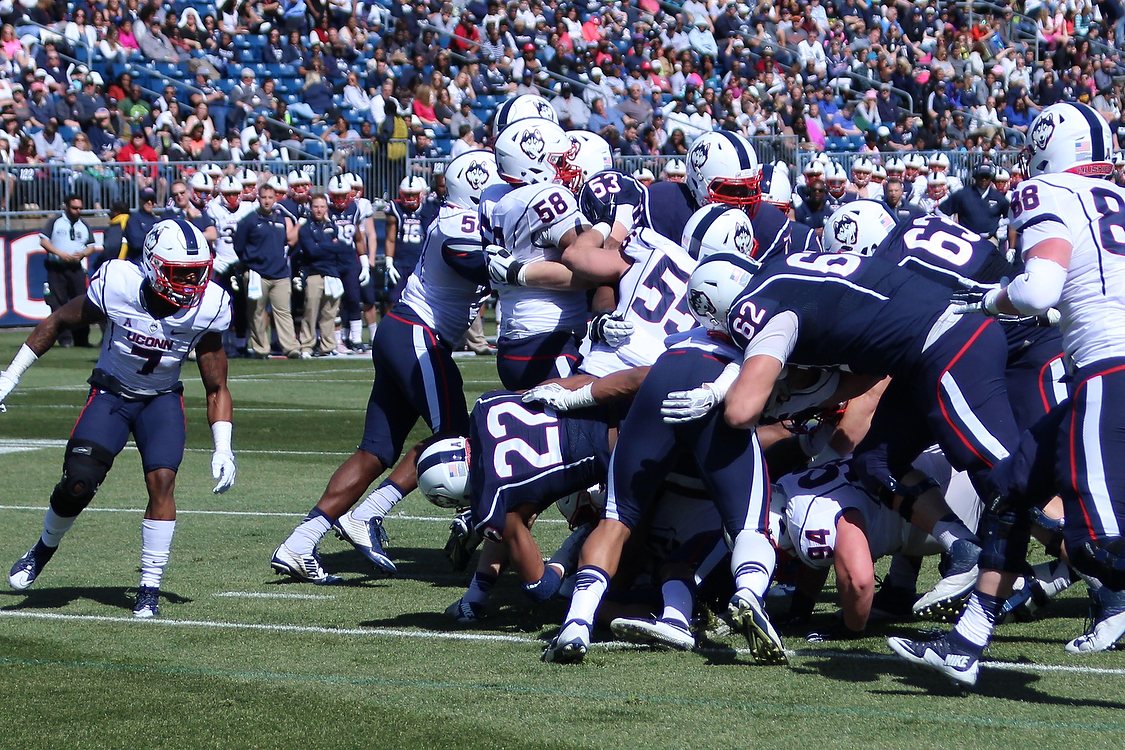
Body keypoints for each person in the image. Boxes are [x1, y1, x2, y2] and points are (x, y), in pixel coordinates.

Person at [888, 102, 1125, 685]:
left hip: (1109, 372)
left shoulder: (1048, 192)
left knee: (1099, 547)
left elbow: (1038, 291)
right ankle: (965, 645)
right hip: (1105, 371)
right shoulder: (1115, 198)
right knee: (1014, 489)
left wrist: (990, 300)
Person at [270, 151, 504, 581]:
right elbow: (472, 261)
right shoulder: (460, 221)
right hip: (418, 334)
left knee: (375, 452)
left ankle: (299, 543)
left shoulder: (464, 217)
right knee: (456, 437)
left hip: (403, 333)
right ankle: (370, 515)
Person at [2, 220, 235, 619]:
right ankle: (42, 549)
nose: (192, 283)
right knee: (77, 483)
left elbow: (216, 386)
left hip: (160, 399)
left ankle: (149, 588)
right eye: (182, 273)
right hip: (111, 393)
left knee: (162, 481)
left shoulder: (209, 307)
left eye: (198, 272)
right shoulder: (118, 284)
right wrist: (10, 376)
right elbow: (58, 321)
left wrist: (223, 446)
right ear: (154, 265)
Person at [232, 183, 299, 359]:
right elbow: (238, 247)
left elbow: (287, 242)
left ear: (275, 198)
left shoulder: (281, 219)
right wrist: (250, 263)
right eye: (264, 197)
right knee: (256, 313)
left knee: (283, 311)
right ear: (258, 198)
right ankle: (261, 348)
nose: (267, 201)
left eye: (270, 197)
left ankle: (291, 348)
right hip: (257, 274)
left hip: (280, 274)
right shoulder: (249, 221)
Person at [39, 195, 97, 348]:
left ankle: (82, 339)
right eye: (74, 208)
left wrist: (84, 253)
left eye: (80, 208)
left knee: (82, 303)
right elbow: (43, 240)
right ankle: (64, 339)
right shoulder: (56, 221)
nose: (77, 211)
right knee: (58, 304)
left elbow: (91, 245)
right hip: (57, 268)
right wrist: (59, 253)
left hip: (75, 268)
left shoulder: (83, 225)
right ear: (66, 206)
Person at [297, 194, 347, 358]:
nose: (319, 210)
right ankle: (306, 346)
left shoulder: (332, 226)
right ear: (311, 208)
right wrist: (328, 246)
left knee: (330, 312)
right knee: (310, 311)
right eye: (316, 206)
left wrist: (322, 245)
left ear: (327, 208)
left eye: (322, 206)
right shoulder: (305, 228)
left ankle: (328, 346)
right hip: (314, 273)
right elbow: (312, 251)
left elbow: (341, 248)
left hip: (332, 273)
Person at [384, 175, 437, 304]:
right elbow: (390, 239)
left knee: (422, 301)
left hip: (421, 262)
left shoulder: (429, 209)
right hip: (400, 262)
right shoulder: (395, 209)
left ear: (421, 194)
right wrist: (389, 263)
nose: (411, 198)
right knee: (393, 299)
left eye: (414, 194)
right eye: (407, 194)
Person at [941, 163, 1011, 243]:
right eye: (981, 177)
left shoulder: (998, 197)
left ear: (991, 179)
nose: (984, 180)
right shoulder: (962, 194)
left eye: (986, 177)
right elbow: (941, 211)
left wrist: (999, 223)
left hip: (989, 239)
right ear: (975, 177)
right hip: (966, 240)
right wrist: (953, 228)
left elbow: (1011, 215)